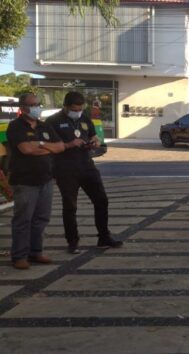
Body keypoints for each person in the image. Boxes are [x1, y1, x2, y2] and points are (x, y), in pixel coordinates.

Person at [47, 91, 122, 254]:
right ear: (65, 106)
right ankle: (72, 241)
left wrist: (94, 142)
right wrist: (70, 143)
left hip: (87, 166)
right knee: (70, 207)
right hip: (65, 169)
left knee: (101, 200)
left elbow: (94, 136)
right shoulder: (53, 121)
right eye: (75, 108)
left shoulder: (85, 119)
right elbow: (50, 146)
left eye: (81, 108)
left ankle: (104, 237)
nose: (78, 111)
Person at [7, 93, 64, 269]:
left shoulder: (44, 126)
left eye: (38, 104)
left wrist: (39, 144)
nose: (37, 107)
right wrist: (47, 147)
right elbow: (25, 149)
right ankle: (19, 256)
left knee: (41, 218)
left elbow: (60, 147)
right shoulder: (15, 126)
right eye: (33, 105)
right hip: (25, 181)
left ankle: (35, 252)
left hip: (45, 179)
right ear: (23, 108)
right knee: (23, 219)